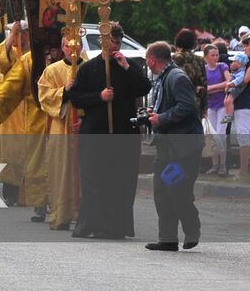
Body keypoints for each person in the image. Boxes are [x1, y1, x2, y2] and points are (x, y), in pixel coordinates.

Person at [67, 25, 150, 239]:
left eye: (118, 42)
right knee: (94, 179)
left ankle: (117, 226)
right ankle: (91, 224)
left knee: (121, 180)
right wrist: (99, 97)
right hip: (96, 132)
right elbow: (75, 98)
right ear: (104, 42)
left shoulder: (127, 65)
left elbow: (144, 87)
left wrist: (126, 68)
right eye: (112, 41)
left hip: (122, 132)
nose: (116, 46)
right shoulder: (88, 68)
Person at [0, 20, 48, 215]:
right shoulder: (26, 58)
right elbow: (8, 75)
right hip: (23, 111)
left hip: (58, 116)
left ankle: (63, 205)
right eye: (22, 32)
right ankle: (34, 201)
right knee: (22, 156)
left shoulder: (63, 54)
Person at [143, 41, 203, 251]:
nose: (147, 65)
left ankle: (192, 228)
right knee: (162, 192)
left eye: (147, 60)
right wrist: (154, 114)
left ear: (152, 60)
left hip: (183, 147)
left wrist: (162, 118)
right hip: (167, 146)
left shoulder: (176, 77)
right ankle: (167, 239)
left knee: (178, 191)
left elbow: (188, 106)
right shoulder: (165, 78)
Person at [36, 36, 82, 230]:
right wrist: (64, 91)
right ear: (62, 47)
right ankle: (61, 215)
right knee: (60, 170)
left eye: (76, 44)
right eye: (67, 45)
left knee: (83, 171)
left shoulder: (89, 67)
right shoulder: (52, 71)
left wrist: (85, 117)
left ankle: (83, 216)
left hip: (83, 127)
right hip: (60, 125)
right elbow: (44, 96)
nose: (72, 49)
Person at [203, 43, 230, 176]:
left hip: (223, 105)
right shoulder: (204, 69)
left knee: (221, 133)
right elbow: (203, 89)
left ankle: (223, 165)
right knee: (212, 135)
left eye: (217, 54)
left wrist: (212, 88)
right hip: (210, 106)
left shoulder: (222, 66)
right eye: (212, 55)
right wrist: (218, 88)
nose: (215, 57)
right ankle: (215, 165)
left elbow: (228, 82)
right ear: (206, 57)